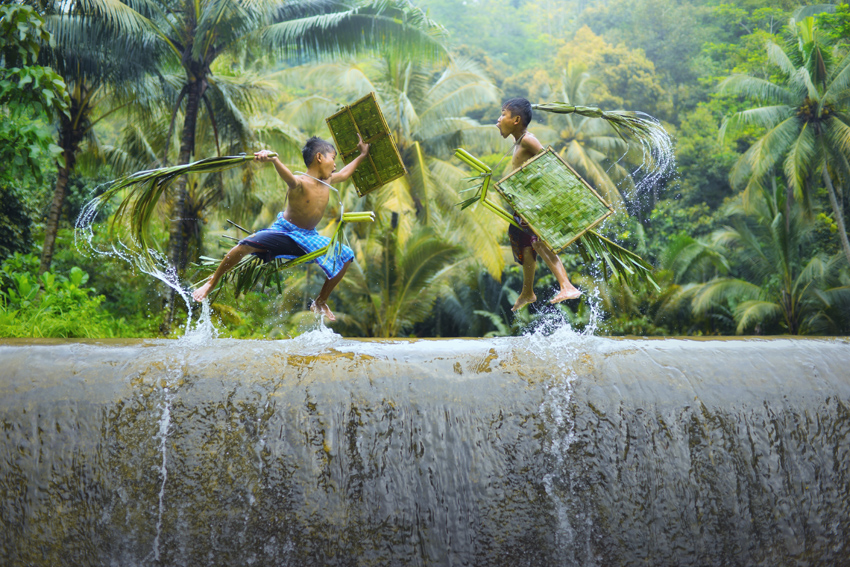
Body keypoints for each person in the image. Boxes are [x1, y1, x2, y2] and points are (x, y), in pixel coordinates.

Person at [192, 135, 370, 321]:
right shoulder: (300, 182)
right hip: (284, 233)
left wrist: (363, 155)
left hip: (309, 238)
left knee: (346, 255)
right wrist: (274, 160)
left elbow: (346, 173)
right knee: (244, 245)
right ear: (319, 157)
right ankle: (211, 283)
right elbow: (289, 178)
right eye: (333, 158)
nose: (335, 166)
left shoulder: (328, 181)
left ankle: (320, 301)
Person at [496, 97, 582, 312]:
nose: (498, 120)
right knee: (522, 240)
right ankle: (527, 292)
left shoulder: (528, 140)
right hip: (524, 205)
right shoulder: (518, 142)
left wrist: (544, 202)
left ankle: (566, 285)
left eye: (503, 115)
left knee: (538, 243)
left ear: (516, 120)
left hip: (534, 205)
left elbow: (550, 166)